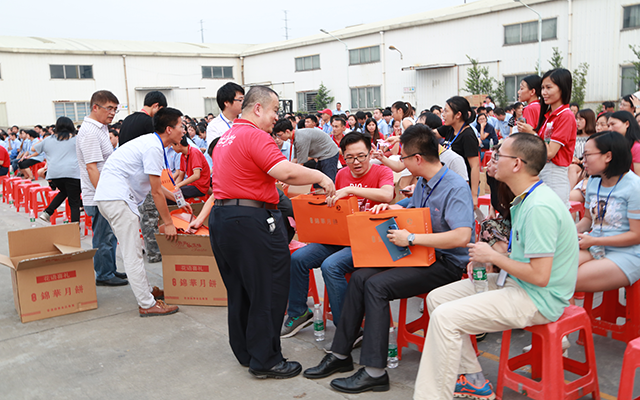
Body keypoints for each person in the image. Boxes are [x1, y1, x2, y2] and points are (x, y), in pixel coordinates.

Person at [303, 124, 474, 394]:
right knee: (360, 276)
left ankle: (375, 372)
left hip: (445, 262)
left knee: (376, 285)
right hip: (420, 254)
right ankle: (340, 354)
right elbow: (414, 207)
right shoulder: (425, 182)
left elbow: (462, 236)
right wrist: (393, 206)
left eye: (403, 158)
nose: (401, 163)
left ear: (417, 158)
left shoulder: (454, 186)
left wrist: (412, 239)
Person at [414, 132, 579, 400]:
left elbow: (540, 276)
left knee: (445, 317)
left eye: (499, 155)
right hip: (518, 284)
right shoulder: (525, 198)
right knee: (437, 299)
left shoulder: (539, 207)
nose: (492, 159)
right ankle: (473, 379)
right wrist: (490, 256)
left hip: (539, 298)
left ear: (516, 164)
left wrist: (493, 256)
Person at [203, 86, 335, 379]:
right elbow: (285, 172)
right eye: (275, 110)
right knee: (268, 289)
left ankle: (246, 352)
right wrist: (321, 176)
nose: (277, 117)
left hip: (224, 218)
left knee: (240, 290)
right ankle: (266, 359)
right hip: (251, 221)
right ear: (258, 108)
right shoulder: (255, 135)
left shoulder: (227, 137)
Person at [280, 132, 394, 339]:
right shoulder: (341, 174)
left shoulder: (382, 171)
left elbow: (387, 194)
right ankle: (298, 313)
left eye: (361, 156)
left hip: (369, 240)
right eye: (350, 157)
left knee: (331, 266)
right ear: (343, 157)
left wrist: (351, 190)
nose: (356, 162)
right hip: (341, 237)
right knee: (298, 258)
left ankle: (348, 330)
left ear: (370, 154)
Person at [94, 107, 187, 317]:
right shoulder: (153, 147)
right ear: (169, 129)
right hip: (117, 199)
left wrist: (179, 201)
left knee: (133, 251)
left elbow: (157, 185)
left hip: (112, 197)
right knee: (133, 253)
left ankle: (147, 293)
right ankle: (147, 303)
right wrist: (168, 223)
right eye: (181, 126)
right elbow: (156, 192)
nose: (184, 130)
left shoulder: (152, 144)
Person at [575, 131, 640, 295]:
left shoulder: (634, 187)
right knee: (553, 270)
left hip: (627, 253)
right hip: (596, 246)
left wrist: (594, 240)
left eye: (587, 155)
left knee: (565, 280)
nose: (583, 160)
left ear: (608, 156)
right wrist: (569, 231)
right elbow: (588, 220)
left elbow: (636, 235)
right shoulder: (593, 181)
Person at [76, 90, 128, 287]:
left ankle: (109, 269)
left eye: (115, 109)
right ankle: (104, 274)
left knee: (109, 235)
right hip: (99, 195)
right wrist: (104, 195)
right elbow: (92, 168)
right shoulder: (90, 132)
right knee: (103, 237)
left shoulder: (100, 128)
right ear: (95, 107)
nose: (112, 113)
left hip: (105, 191)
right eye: (109, 108)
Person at [118, 91, 168, 264]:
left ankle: (141, 249)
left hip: (127, 177)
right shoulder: (148, 122)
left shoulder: (127, 120)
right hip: (142, 175)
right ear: (156, 106)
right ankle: (154, 253)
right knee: (150, 216)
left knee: (136, 216)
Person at [535, 68, 577, 207]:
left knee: (553, 214)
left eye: (548, 87)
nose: (544, 92)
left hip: (554, 173)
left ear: (562, 88)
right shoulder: (550, 115)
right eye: (542, 88)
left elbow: (551, 152)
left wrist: (532, 135)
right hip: (545, 171)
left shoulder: (565, 115)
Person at [34, 117, 82, 223]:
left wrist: (43, 141)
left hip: (54, 174)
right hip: (73, 173)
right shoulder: (77, 139)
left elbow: (34, 149)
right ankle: (74, 228)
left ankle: (47, 212)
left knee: (64, 192)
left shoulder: (48, 140)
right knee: (74, 202)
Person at [436, 96, 480, 207]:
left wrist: (473, 195)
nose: (443, 115)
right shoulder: (449, 129)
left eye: (446, 111)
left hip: (464, 186)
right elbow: (428, 135)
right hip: (449, 185)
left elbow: (475, 166)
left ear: (458, 115)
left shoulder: (468, 135)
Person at [273, 119, 340, 183]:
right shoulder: (295, 137)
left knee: (328, 181)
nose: (279, 138)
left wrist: (288, 181)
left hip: (329, 154)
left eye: (280, 135)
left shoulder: (300, 139)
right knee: (318, 182)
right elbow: (295, 159)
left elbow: (300, 165)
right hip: (322, 155)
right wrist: (286, 171)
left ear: (287, 131)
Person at [171, 134, 211, 198]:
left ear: (178, 144)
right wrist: (174, 186)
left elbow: (196, 175)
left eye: (172, 145)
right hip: (191, 185)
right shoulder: (182, 156)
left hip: (199, 187)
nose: (172, 148)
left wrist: (179, 185)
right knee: (170, 193)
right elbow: (181, 176)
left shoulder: (194, 152)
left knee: (174, 195)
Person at [206, 82, 245, 147]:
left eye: (244, 99)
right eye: (240, 100)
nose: (243, 103)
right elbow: (214, 150)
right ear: (226, 102)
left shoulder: (246, 119)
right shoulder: (214, 127)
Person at [608, 110, 640, 175]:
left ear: (627, 124)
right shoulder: (614, 145)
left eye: (613, 124)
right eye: (608, 126)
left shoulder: (636, 147)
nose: (609, 129)